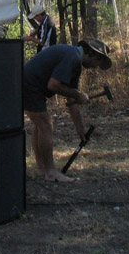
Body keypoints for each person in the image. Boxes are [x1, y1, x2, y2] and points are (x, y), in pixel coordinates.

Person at [22, 38, 112, 182]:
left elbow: (71, 99)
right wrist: (78, 95)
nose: (96, 67)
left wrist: (79, 128)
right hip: (29, 86)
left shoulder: (75, 63)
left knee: (40, 125)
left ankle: (42, 169)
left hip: (31, 86)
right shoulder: (72, 56)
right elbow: (54, 85)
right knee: (45, 125)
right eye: (98, 63)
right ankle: (50, 172)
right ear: (94, 55)